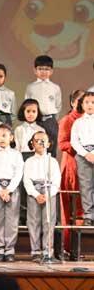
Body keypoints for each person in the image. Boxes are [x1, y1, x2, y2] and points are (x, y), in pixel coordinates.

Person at [0, 124, 24, 262]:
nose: (1, 139)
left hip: (12, 188)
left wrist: (9, 189)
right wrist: (0, 190)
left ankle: (9, 250)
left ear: (11, 137)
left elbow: (18, 174)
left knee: (12, 220)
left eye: (4, 135)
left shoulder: (16, 154)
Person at [24, 131, 60, 262]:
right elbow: (26, 180)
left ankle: (47, 252)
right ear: (32, 144)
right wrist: (36, 194)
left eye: (43, 140)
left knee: (48, 222)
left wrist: (48, 194)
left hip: (49, 191)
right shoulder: (29, 161)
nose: (40, 143)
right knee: (34, 222)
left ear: (49, 144)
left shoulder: (52, 161)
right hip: (34, 192)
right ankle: (35, 252)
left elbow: (56, 180)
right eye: (37, 140)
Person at [58, 89, 85, 258]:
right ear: (73, 102)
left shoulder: (89, 120)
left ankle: (77, 249)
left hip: (87, 167)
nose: (84, 104)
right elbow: (62, 143)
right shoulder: (67, 119)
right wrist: (82, 147)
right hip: (71, 167)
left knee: (82, 210)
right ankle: (68, 248)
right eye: (80, 101)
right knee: (69, 210)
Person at [14, 98, 46, 224]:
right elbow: (17, 147)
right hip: (22, 157)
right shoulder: (19, 129)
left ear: (38, 113)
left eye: (34, 111)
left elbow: (42, 147)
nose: (31, 114)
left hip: (36, 158)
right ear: (23, 112)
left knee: (35, 184)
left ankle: (35, 215)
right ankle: (23, 215)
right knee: (23, 186)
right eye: (28, 111)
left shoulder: (41, 130)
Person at [25, 55, 62, 156]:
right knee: (35, 148)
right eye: (40, 69)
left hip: (50, 121)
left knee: (51, 148)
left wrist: (52, 120)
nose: (43, 71)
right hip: (36, 121)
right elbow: (27, 105)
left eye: (47, 69)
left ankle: (51, 165)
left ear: (51, 71)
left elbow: (58, 106)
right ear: (35, 70)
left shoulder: (55, 87)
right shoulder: (30, 87)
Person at [70, 91, 94, 226]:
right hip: (83, 156)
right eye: (87, 102)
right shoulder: (77, 123)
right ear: (82, 105)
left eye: (93, 102)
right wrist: (86, 154)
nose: (90, 105)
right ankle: (88, 215)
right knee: (86, 186)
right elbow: (74, 141)